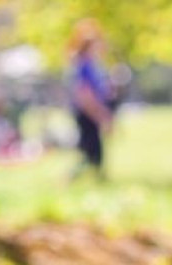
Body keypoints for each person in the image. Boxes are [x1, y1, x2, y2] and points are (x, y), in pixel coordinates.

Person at [68, 20, 113, 180]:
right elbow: (85, 94)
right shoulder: (84, 65)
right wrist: (100, 115)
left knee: (93, 151)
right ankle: (71, 178)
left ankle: (97, 178)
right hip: (87, 112)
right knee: (91, 151)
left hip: (92, 111)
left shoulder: (93, 65)